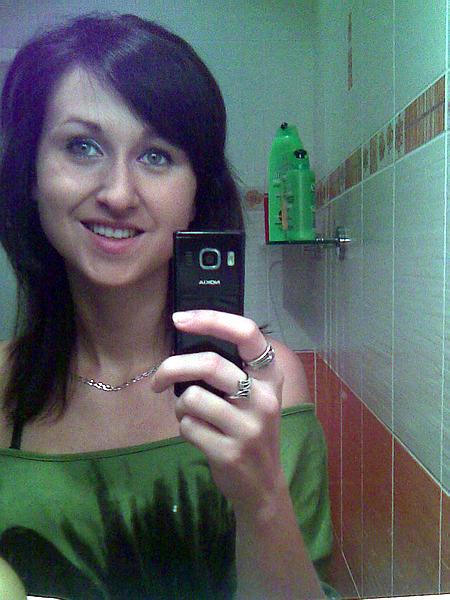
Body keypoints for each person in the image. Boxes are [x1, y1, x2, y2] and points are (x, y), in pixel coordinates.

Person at [0, 13, 336, 600]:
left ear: (195, 195)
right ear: (31, 175)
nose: (118, 194)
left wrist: (261, 498)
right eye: (82, 146)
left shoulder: (263, 381)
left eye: (156, 156)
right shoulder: (2, 385)